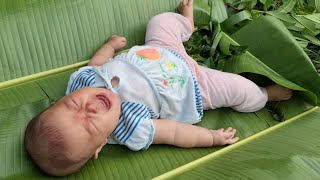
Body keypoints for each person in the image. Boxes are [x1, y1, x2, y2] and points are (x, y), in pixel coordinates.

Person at [24, 0, 293, 176]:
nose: (90, 108)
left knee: (160, 23)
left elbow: (99, 63)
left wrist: (110, 47)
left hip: (159, 51)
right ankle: (265, 95)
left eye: (73, 105)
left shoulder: (82, 81)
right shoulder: (131, 127)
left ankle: (186, 24)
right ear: (101, 145)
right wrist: (211, 138)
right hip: (193, 85)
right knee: (240, 90)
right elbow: (175, 132)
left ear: (61, 99)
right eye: (91, 126)